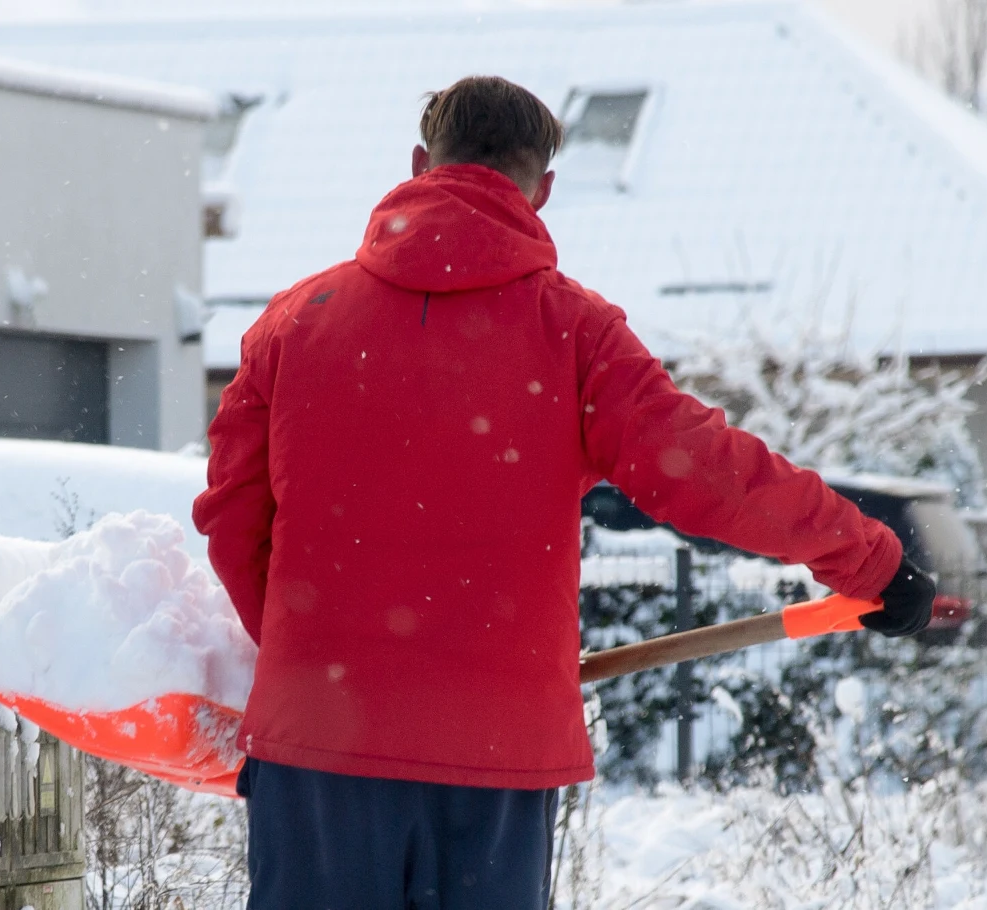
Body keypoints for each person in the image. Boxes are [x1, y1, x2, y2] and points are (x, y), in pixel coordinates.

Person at [192, 75, 934, 910]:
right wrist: (867, 556)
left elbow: (231, 518)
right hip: (496, 755)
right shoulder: (574, 334)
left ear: (416, 164)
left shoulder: (295, 322)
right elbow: (708, 469)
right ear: (542, 190)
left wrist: (319, 657)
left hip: (318, 753)